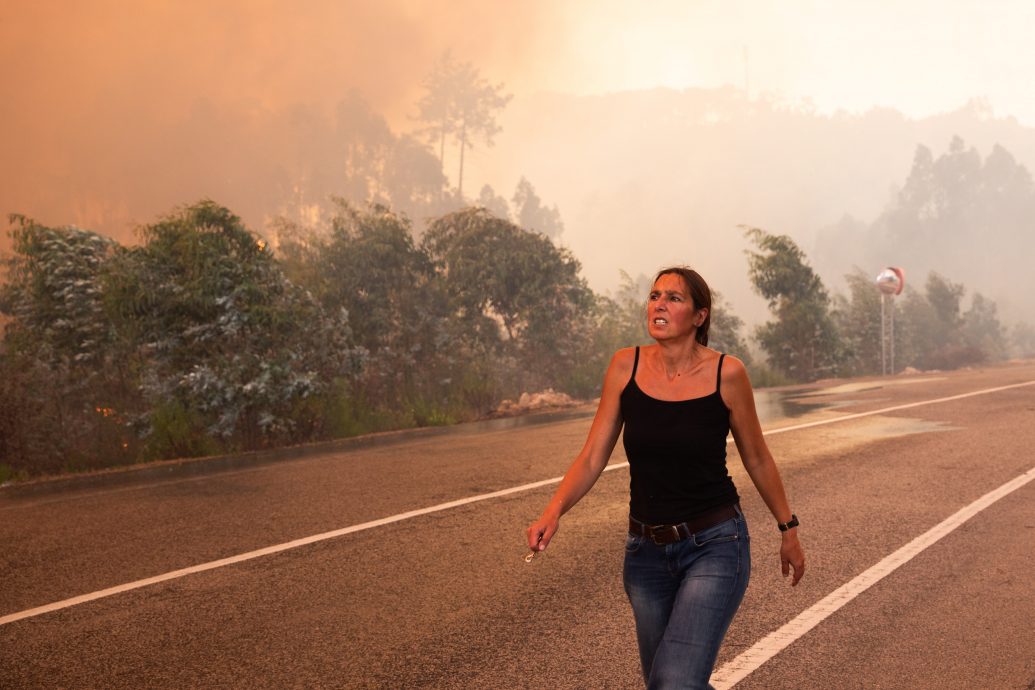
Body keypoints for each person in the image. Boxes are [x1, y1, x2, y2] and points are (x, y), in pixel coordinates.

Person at [526, 266, 805, 689]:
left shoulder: (726, 374)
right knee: (670, 682)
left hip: (714, 545)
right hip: (646, 556)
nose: (659, 304)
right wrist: (554, 510)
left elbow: (758, 459)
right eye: (655, 295)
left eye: (674, 298)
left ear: (699, 316)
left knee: (673, 682)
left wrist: (788, 528)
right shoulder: (625, 366)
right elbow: (592, 456)